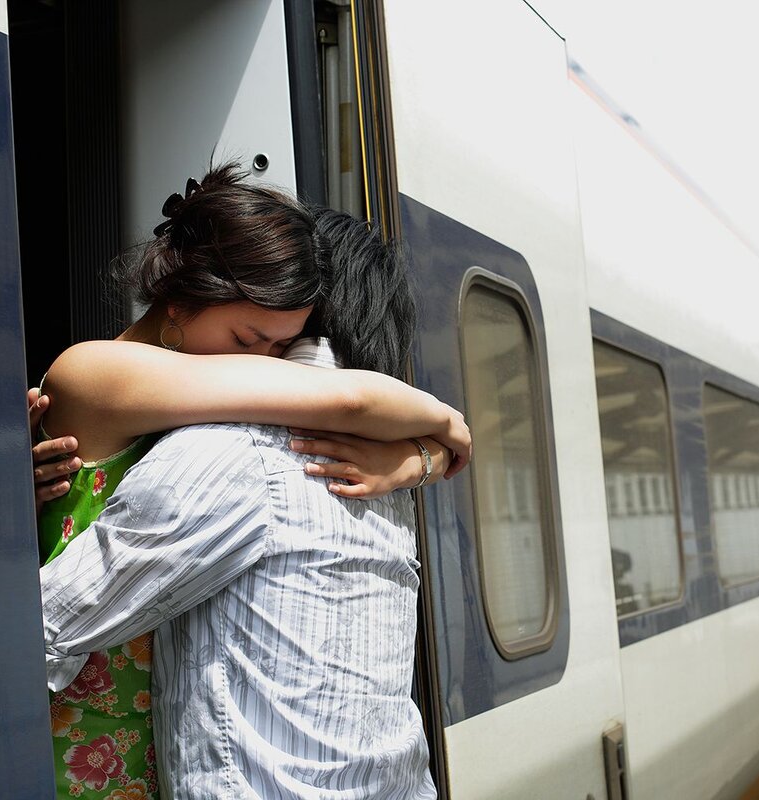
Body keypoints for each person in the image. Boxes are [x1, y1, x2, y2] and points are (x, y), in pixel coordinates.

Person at [31, 167, 468, 799]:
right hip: (86, 703)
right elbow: (342, 396)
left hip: (148, 717)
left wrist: (414, 456)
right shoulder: (100, 370)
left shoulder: (208, 406)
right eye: (253, 339)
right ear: (179, 299)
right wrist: (444, 428)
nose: (264, 362)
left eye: (280, 346)